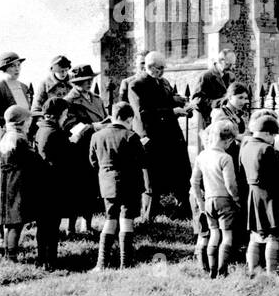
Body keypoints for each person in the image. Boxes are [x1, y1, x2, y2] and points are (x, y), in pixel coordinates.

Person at [129, 51, 195, 221]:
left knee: (181, 173)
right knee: (153, 179)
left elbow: (168, 99)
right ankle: (149, 215)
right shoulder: (137, 85)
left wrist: (183, 105)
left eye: (164, 67)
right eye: (160, 68)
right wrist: (172, 111)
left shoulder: (163, 82)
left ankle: (183, 210)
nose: (163, 71)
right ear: (150, 67)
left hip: (172, 135)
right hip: (154, 137)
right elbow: (143, 113)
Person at [89, 102, 145, 270]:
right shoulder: (131, 136)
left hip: (107, 184)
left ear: (113, 116)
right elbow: (142, 161)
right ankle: (125, 263)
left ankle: (101, 263)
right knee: (126, 220)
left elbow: (93, 161)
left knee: (110, 219)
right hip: (130, 184)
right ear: (129, 119)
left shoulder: (97, 135)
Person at [241, 113, 279, 277]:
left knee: (255, 234)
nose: (274, 138)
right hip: (270, 196)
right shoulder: (267, 149)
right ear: (268, 133)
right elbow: (278, 175)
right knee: (272, 235)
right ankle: (271, 272)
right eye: (273, 135)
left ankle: (252, 270)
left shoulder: (246, 146)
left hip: (253, 196)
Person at [191, 119, 241, 278]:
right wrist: (237, 199)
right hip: (224, 200)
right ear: (229, 140)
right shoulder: (225, 158)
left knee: (214, 234)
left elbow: (194, 181)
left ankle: (212, 271)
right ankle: (222, 270)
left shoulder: (202, 156)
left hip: (209, 201)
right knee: (227, 236)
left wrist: (200, 201)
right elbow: (230, 184)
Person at [63, 64, 108, 233]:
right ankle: (71, 227)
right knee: (77, 188)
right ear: (75, 83)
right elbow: (70, 127)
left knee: (91, 187)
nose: (89, 83)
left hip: (96, 147)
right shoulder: (69, 101)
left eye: (90, 79)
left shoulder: (97, 99)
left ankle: (87, 225)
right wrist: (92, 127)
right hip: (79, 149)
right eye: (84, 81)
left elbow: (103, 118)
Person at [0, 106, 41, 263]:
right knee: (16, 223)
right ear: (21, 123)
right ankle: (12, 256)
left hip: (7, 185)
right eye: (29, 121)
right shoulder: (19, 139)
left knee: (10, 223)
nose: (30, 123)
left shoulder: (6, 137)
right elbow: (32, 159)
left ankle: (8, 253)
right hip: (17, 185)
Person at [33, 99, 75, 268]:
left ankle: (42, 258)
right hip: (53, 184)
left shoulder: (43, 128)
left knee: (43, 225)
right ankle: (50, 260)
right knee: (51, 225)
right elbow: (63, 157)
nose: (66, 117)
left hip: (43, 183)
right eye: (65, 113)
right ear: (59, 114)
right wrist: (73, 143)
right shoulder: (55, 132)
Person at [191, 49, 236, 129]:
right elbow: (197, 100)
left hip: (227, 121)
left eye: (233, 64)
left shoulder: (231, 76)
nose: (232, 67)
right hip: (210, 121)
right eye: (229, 64)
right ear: (221, 61)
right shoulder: (206, 76)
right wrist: (218, 102)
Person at [0, 52, 33, 128]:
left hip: (25, 133)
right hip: (8, 134)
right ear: (4, 69)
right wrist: (14, 121)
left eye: (18, 65)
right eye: (12, 66)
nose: (17, 69)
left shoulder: (24, 87)